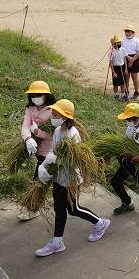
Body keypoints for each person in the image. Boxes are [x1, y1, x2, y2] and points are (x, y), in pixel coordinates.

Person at [35, 99, 109, 257]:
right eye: (53, 113)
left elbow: (71, 159)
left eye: (56, 114)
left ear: (65, 116)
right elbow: (54, 152)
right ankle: (57, 242)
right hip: (58, 176)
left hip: (70, 178)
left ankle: (101, 223)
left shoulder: (72, 134)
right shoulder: (57, 130)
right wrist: (46, 165)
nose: (53, 116)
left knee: (73, 209)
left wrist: (53, 161)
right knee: (59, 209)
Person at [19, 81, 57, 220]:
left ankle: (33, 208)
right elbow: (25, 126)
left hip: (52, 152)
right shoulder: (30, 109)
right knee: (46, 180)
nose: (35, 97)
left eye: (38, 95)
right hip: (38, 150)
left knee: (39, 181)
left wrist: (37, 132)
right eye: (32, 95)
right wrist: (28, 138)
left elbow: (55, 134)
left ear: (46, 95)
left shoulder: (54, 110)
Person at [121, 25, 139, 100]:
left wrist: (132, 60)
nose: (127, 33)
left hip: (135, 58)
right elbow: (122, 50)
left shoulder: (137, 40)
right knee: (126, 76)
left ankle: (136, 92)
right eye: (126, 31)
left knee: (134, 77)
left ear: (132, 32)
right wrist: (127, 57)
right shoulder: (122, 40)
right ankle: (126, 92)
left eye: (129, 31)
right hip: (125, 58)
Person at [108, 36, 129, 100]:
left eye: (119, 42)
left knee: (123, 82)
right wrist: (113, 72)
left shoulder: (123, 49)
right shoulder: (111, 52)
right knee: (116, 83)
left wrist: (126, 69)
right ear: (113, 44)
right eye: (116, 43)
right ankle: (116, 94)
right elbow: (111, 62)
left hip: (122, 67)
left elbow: (124, 59)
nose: (118, 44)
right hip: (115, 68)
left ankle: (123, 94)